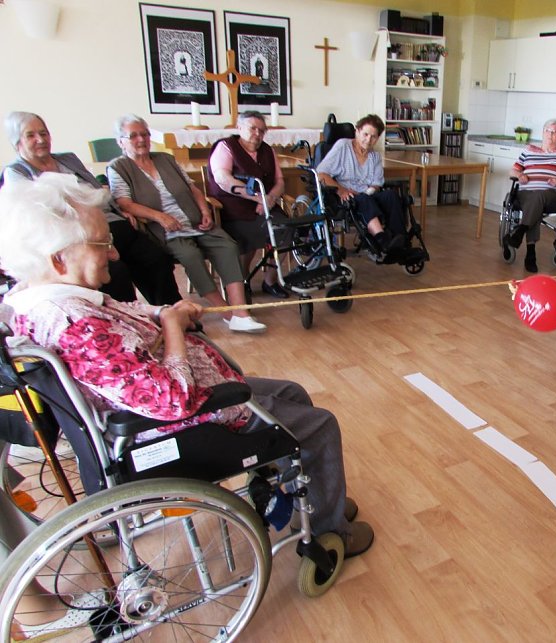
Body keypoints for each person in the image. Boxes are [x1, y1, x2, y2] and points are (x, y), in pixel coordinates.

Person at [0, 175, 373, 568]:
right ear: (58, 257)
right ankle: (332, 532)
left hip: (183, 399)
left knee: (292, 392)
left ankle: (312, 500)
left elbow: (123, 316)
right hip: (184, 422)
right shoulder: (74, 323)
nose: (113, 254)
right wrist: (174, 328)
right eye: (101, 244)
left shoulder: (37, 297)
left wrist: (164, 312)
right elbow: (170, 400)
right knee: (322, 424)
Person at [2, 111, 181, 306]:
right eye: (31, 135)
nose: (40, 139)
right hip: (80, 238)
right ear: (17, 142)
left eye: (43, 133)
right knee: (115, 274)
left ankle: (175, 312)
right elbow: (37, 216)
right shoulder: (16, 173)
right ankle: (129, 321)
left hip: (110, 222)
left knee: (156, 259)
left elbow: (95, 188)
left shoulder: (67, 159)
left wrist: (121, 210)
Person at [108, 115, 266, 334]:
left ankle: (240, 312)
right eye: (133, 136)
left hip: (193, 220)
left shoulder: (165, 159)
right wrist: (160, 217)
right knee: (190, 256)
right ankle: (225, 312)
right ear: (120, 141)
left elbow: (192, 189)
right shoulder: (119, 167)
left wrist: (204, 210)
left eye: (144, 134)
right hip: (163, 228)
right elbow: (124, 203)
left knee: (228, 246)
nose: (141, 139)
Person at [207, 110, 291, 298]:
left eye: (262, 130)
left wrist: (269, 199)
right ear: (239, 128)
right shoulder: (226, 147)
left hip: (266, 205)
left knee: (284, 230)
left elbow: (280, 182)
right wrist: (257, 198)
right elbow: (222, 178)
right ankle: (242, 281)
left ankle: (270, 280)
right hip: (233, 207)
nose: (257, 134)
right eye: (253, 128)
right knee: (248, 235)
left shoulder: (267, 150)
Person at [316, 113, 406, 255]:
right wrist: (341, 190)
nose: (368, 140)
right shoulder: (343, 146)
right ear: (356, 131)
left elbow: (376, 184)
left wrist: (369, 191)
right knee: (364, 200)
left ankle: (399, 240)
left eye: (374, 136)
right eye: (365, 134)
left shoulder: (374, 156)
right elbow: (321, 173)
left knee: (391, 195)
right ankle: (382, 240)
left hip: (366, 195)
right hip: (345, 196)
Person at [503, 119, 556, 273]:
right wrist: (520, 174)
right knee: (534, 202)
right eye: (549, 131)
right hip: (526, 191)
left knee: (538, 197)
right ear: (543, 132)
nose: (551, 135)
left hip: (551, 192)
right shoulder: (529, 150)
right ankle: (530, 254)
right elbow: (512, 171)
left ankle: (520, 232)